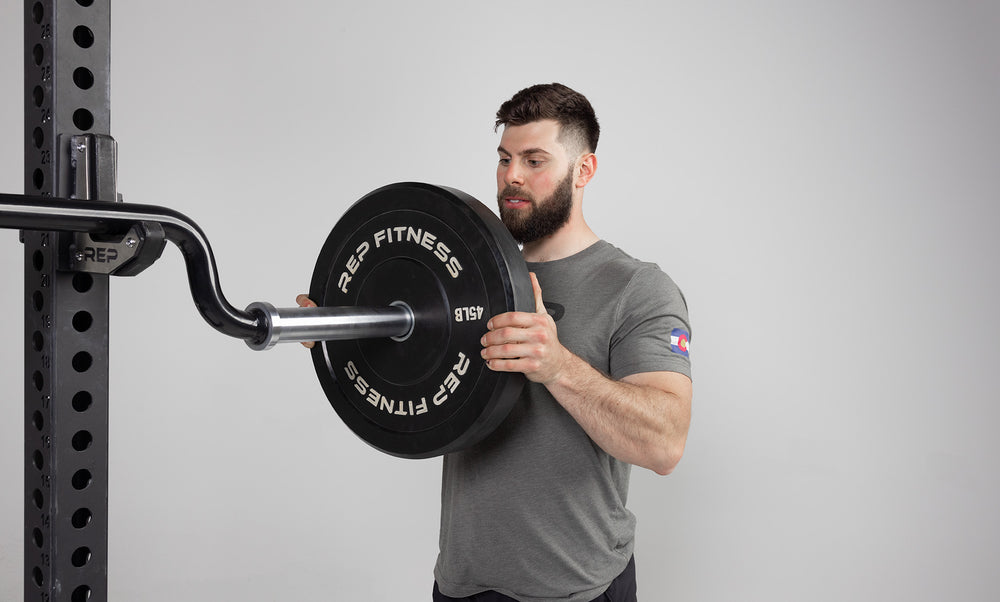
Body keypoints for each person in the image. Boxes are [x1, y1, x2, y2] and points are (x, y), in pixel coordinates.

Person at [300, 83, 692, 602]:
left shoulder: (635, 287)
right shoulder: (461, 274)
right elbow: (419, 376)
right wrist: (352, 338)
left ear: (584, 170)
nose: (512, 176)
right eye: (505, 158)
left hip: (577, 590)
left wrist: (556, 365)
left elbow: (665, 444)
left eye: (535, 160)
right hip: (461, 586)